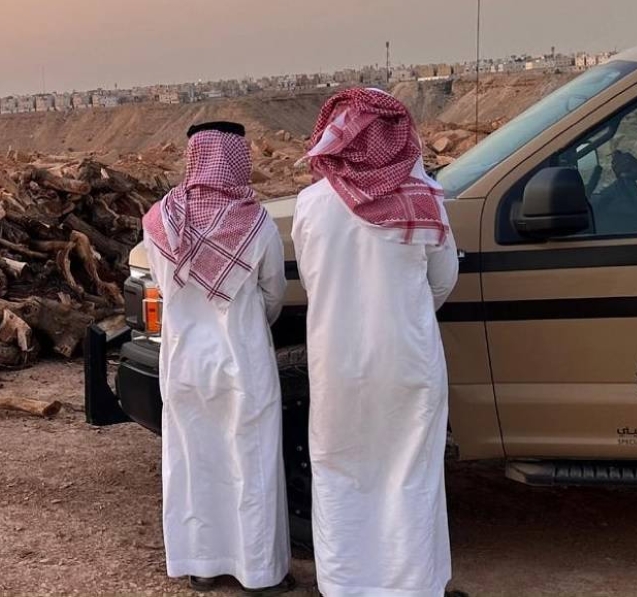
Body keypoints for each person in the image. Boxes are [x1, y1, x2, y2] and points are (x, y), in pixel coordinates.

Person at [291, 89, 460, 597]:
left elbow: (313, 280)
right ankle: (412, 585)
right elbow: (442, 281)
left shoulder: (310, 204)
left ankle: (346, 584)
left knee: (340, 468)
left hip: (336, 363)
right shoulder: (425, 199)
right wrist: (403, 314)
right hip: (408, 360)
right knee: (411, 472)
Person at [142, 121, 294, 594]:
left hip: (184, 362)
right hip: (243, 361)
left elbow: (163, 287)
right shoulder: (257, 223)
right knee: (251, 462)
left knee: (194, 460)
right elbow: (274, 294)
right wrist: (248, 322)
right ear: (236, 158)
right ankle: (259, 573)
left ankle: (201, 564)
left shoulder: (158, 222)